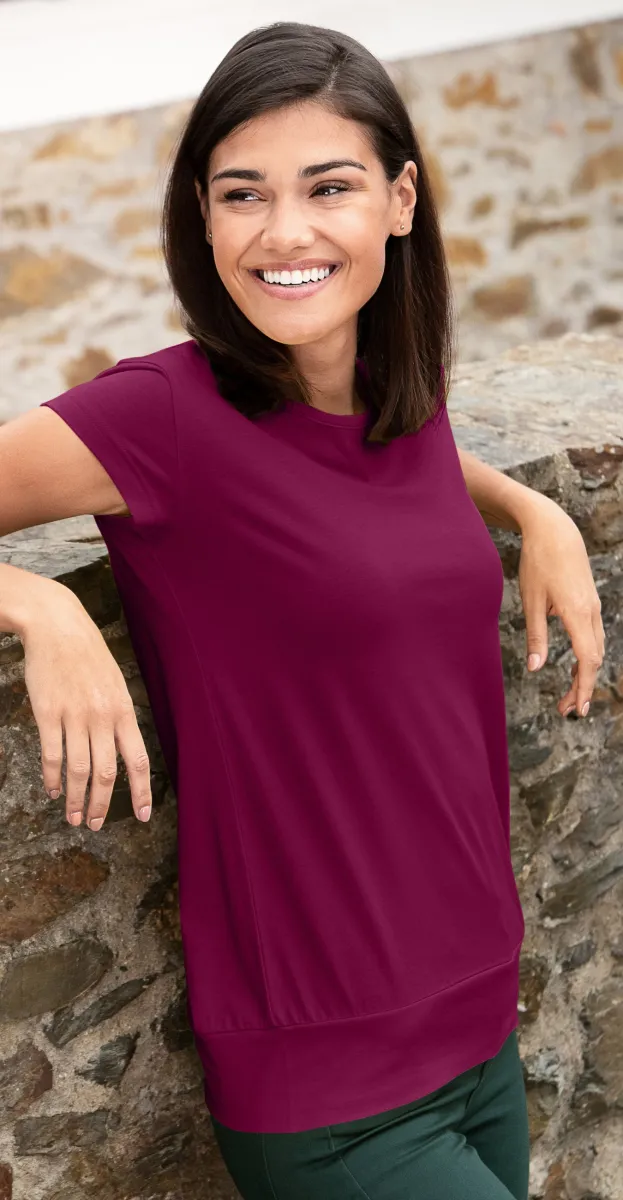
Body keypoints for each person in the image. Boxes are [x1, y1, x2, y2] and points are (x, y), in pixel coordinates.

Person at [0, 21, 604, 1200]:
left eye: (328, 187)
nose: (284, 232)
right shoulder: (157, 419)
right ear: (202, 216)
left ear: (399, 199)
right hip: (335, 1094)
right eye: (243, 194)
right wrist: (39, 607)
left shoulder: (392, 387)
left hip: (481, 1026)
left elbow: (375, 482)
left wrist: (534, 511)